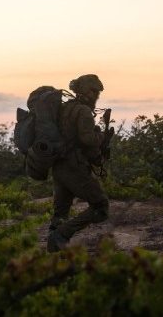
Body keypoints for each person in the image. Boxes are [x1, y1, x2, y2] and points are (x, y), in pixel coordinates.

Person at [47, 74, 110, 252]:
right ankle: (61, 235)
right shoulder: (82, 111)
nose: (96, 95)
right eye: (94, 91)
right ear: (84, 90)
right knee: (101, 206)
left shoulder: (65, 108)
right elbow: (87, 140)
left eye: (98, 92)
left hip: (59, 166)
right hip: (73, 167)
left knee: (61, 212)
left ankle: (53, 250)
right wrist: (101, 135)